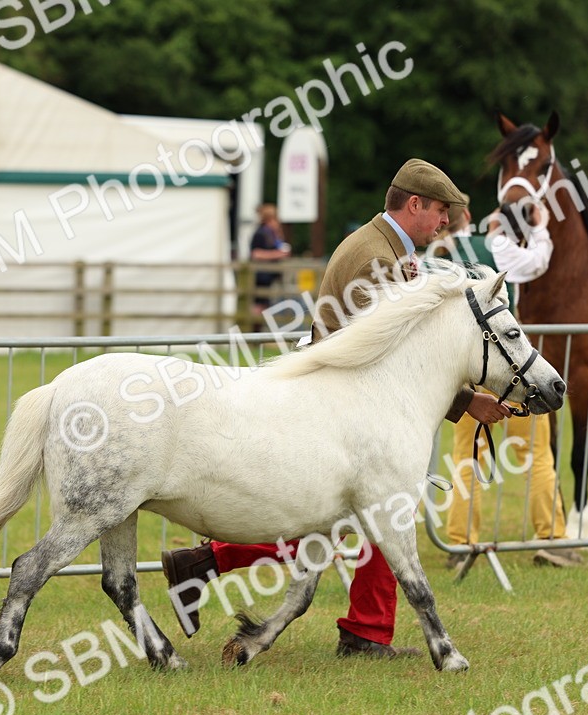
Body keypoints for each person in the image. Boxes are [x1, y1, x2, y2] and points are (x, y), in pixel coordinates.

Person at [160, 159, 512, 659]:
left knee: (352, 516)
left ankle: (214, 567)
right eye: (440, 212)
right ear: (414, 205)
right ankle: (363, 631)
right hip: (345, 407)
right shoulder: (377, 258)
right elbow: (390, 353)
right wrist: (466, 400)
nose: (445, 223)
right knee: (367, 512)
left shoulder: (385, 248)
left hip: (344, 403)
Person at [437, 203, 581, 568]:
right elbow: (539, 261)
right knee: (535, 455)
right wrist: (542, 227)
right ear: (468, 218)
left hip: (466, 372)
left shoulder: (435, 260)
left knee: (467, 457)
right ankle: (551, 538)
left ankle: (461, 543)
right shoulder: (496, 246)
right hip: (510, 368)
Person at [249, 204, 291, 318]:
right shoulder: (261, 233)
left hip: (268, 277)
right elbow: (256, 253)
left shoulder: (271, 234)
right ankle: (254, 332)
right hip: (261, 276)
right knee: (259, 305)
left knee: (265, 305)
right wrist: (277, 254)